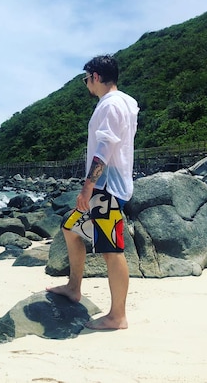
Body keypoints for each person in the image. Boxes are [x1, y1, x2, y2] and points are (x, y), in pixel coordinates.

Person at [47, 54, 139, 330]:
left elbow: (105, 149)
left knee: (112, 251)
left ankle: (117, 317)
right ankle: (74, 288)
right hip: (108, 186)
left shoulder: (110, 106)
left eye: (86, 79)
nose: (86, 84)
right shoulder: (125, 102)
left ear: (95, 77)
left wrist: (88, 187)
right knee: (70, 227)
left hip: (106, 188)